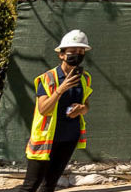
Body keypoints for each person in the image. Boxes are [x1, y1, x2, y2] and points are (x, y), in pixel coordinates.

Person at [22, 30, 93, 192]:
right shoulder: (48, 78)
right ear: (61, 55)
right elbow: (43, 109)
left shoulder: (85, 78)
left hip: (69, 138)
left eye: (81, 52)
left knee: (49, 185)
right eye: (72, 52)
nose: (77, 55)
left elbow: (87, 105)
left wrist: (81, 109)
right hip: (45, 140)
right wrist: (61, 90)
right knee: (30, 186)